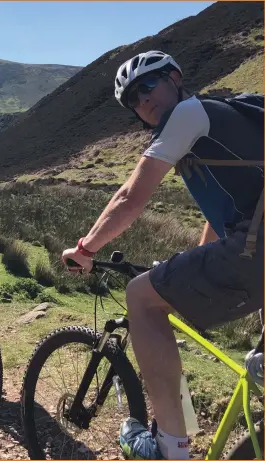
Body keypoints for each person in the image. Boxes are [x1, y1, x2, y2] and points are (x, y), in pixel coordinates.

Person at [61, 50, 264, 460]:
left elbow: (130, 198)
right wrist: (187, 263)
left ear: (175, 77)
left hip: (255, 250)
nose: (143, 100)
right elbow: (220, 219)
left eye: (148, 85)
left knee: (140, 297)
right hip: (250, 246)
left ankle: (170, 448)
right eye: (133, 99)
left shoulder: (188, 114)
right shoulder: (207, 131)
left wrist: (85, 249)